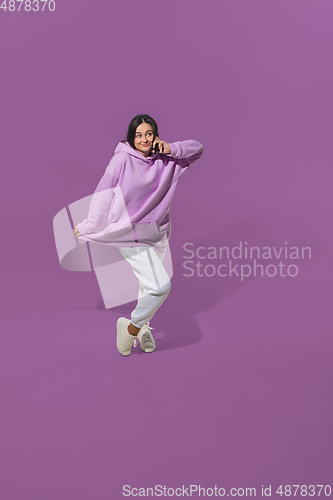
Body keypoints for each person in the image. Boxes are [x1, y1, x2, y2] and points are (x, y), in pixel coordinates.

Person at [73, 114, 203, 357]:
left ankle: (144, 328)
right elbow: (103, 196)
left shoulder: (168, 161)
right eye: (139, 135)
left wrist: (171, 148)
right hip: (129, 234)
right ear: (131, 138)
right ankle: (130, 327)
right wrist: (88, 226)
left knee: (147, 285)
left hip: (158, 232)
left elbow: (198, 149)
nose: (144, 139)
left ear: (156, 135)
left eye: (149, 134)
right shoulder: (121, 160)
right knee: (160, 286)